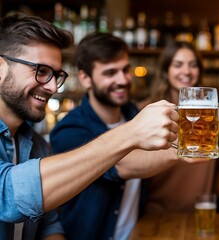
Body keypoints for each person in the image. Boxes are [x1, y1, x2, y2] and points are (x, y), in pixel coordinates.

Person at [0, 13, 178, 239]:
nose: (53, 86)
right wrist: (132, 133)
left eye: (56, 75)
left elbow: (49, 224)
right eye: (41, 71)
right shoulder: (69, 129)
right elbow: (8, 195)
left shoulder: (36, 146)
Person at [49, 34, 195, 240]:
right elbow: (122, 166)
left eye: (125, 70)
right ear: (84, 78)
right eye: (110, 73)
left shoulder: (135, 115)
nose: (123, 80)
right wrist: (188, 148)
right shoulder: (70, 130)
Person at [141, 41, 215, 213]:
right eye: (178, 65)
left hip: (202, 212)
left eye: (193, 65)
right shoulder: (147, 111)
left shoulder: (211, 113)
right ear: (166, 70)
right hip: (156, 214)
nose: (187, 72)